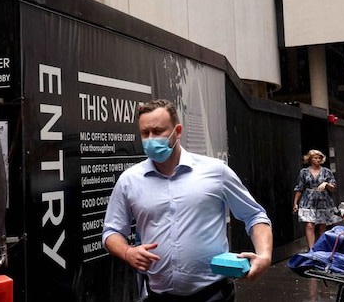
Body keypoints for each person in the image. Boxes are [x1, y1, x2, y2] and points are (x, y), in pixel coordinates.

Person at [103, 99, 273, 302]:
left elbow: (254, 215)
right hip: (159, 296)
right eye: (145, 133)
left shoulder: (215, 171)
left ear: (178, 131)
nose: (150, 139)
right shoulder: (130, 180)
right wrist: (128, 252)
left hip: (214, 295)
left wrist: (264, 256)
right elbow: (111, 232)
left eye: (158, 132)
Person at [292, 150, 337, 249]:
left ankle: (321, 248)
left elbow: (333, 187)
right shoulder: (304, 172)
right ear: (310, 159)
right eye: (315, 158)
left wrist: (326, 184)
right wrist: (295, 203)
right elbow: (299, 187)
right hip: (308, 200)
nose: (317, 160)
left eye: (319, 158)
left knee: (322, 226)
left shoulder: (326, 171)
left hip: (322, 200)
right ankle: (311, 249)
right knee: (309, 225)